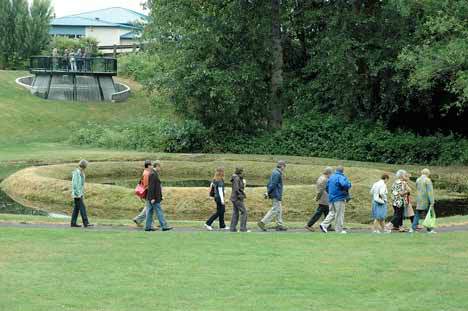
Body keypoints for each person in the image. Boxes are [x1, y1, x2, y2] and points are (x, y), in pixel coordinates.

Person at [319, 166, 352, 234]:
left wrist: (331, 194)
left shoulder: (331, 177)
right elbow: (344, 184)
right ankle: (339, 230)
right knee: (339, 214)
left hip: (331, 198)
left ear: (336, 171)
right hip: (339, 198)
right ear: (342, 171)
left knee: (332, 213)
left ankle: (324, 225)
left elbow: (327, 187)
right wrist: (349, 184)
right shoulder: (341, 177)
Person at [258, 160, 288, 231]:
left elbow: (269, 184)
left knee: (279, 210)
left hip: (276, 194)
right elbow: (272, 185)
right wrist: (267, 192)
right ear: (281, 166)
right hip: (276, 194)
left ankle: (279, 225)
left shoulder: (275, 172)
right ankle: (262, 222)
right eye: (284, 166)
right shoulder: (277, 173)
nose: (284, 168)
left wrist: (268, 192)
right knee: (275, 209)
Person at [145, 161, 173, 232]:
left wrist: (160, 196)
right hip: (153, 198)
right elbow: (152, 187)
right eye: (159, 167)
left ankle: (148, 227)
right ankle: (164, 226)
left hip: (152, 197)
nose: (160, 168)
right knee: (159, 211)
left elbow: (156, 187)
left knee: (150, 211)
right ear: (156, 166)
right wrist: (153, 198)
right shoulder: (153, 174)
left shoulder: (154, 173)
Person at [305, 166, 333, 231]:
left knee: (327, 212)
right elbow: (320, 191)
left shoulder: (321, 178)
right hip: (324, 199)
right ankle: (309, 225)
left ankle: (328, 226)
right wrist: (317, 198)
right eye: (331, 173)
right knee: (318, 213)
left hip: (324, 199)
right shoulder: (324, 179)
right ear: (328, 173)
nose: (331, 175)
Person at [132, 160, 156, 228]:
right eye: (151, 165)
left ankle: (138, 219)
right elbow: (146, 185)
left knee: (148, 207)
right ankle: (151, 224)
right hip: (148, 193)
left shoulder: (147, 172)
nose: (152, 166)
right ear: (148, 166)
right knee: (150, 208)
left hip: (148, 193)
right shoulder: (146, 174)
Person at [411, 168, 436, 233]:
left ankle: (413, 228)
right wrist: (432, 201)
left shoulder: (417, 180)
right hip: (426, 199)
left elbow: (417, 189)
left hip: (419, 199)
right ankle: (429, 229)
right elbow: (430, 192)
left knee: (417, 213)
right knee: (429, 214)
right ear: (428, 173)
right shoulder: (428, 180)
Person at [71, 160, 93, 228]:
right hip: (77, 194)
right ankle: (86, 223)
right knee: (82, 208)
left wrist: (82, 193)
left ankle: (73, 223)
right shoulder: (76, 173)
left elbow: (81, 184)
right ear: (84, 166)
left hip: (80, 194)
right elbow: (75, 185)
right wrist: (78, 194)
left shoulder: (82, 173)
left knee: (76, 209)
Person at [230, 167, 249, 232]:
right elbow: (236, 189)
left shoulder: (237, 178)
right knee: (244, 212)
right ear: (240, 172)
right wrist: (241, 195)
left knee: (235, 213)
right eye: (243, 172)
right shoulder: (237, 178)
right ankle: (243, 228)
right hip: (237, 198)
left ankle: (232, 228)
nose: (244, 173)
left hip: (234, 197)